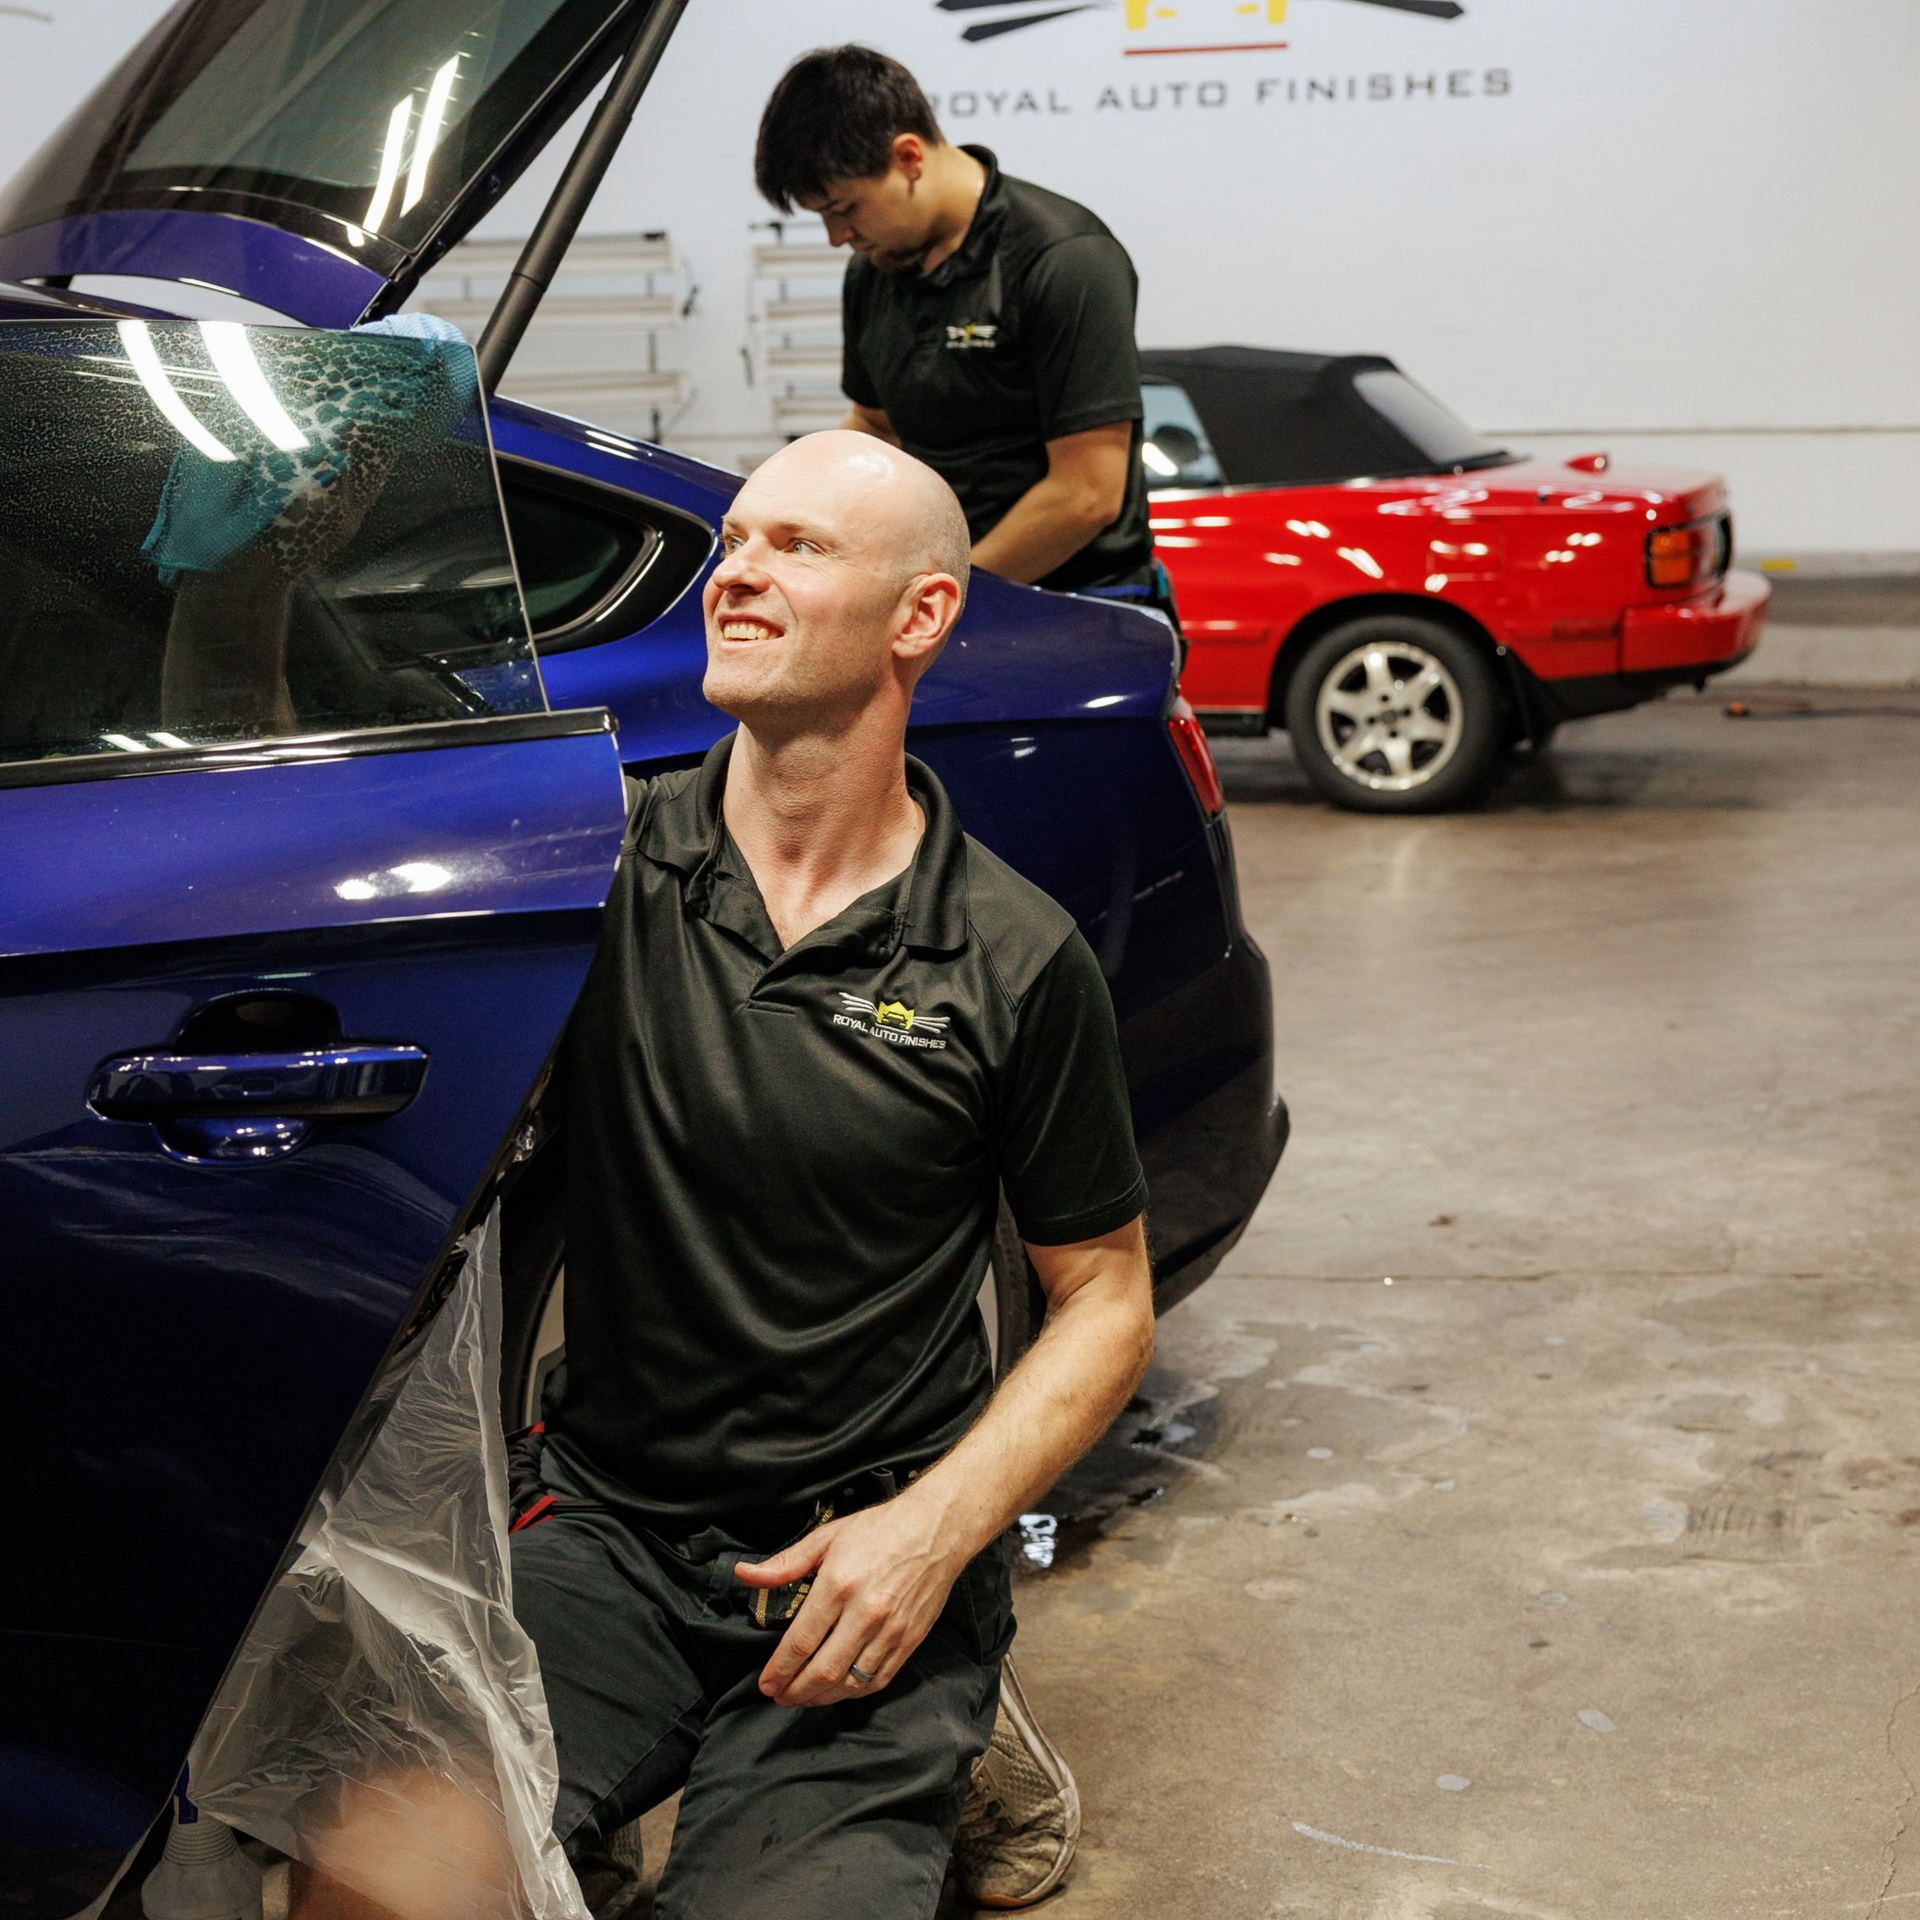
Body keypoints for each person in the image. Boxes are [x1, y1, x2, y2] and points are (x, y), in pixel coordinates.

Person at [507, 431, 1153, 1917]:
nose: (737, 573)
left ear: (920, 616)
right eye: (735, 541)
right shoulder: (597, 876)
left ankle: (955, 1730)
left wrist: (935, 1534)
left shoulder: (1011, 956)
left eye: (796, 548)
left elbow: (1107, 1297)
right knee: (375, 1871)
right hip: (609, 1529)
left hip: (868, 1556)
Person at [755, 46, 1165, 613]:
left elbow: (1087, 494)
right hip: (949, 601)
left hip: (1082, 606)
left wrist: (943, 599)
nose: (836, 235)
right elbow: (878, 427)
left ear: (908, 157)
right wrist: (784, 508)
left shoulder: (1065, 258)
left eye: (843, 207)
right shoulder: (872, 271)